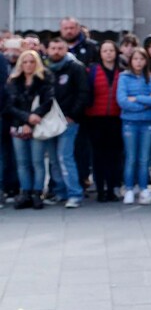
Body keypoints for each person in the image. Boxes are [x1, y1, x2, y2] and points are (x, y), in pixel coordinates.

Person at [44, 37, 91, 208]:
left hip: (68, 120)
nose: (56, 51)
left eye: (60, 48)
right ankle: (60, 192)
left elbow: (83, 93)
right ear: (47, 50)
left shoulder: (76, 67)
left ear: (66, 50)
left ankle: (75, 194)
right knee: (53, 160)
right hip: (48, 121)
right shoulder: (44, 68)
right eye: (53, 48)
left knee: (65, 157)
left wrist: (72, 114)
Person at [6, 50, 54, 210]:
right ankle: (25, 192)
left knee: (37, 161)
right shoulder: (13, 82)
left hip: (38, 124)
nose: (28, 65)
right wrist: (26, 119)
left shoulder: (44, 79)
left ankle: (37, 193)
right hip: (18, 124)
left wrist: (33, 118)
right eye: (25, 62)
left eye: (32, 62)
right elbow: (9, 106)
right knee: (22, 162)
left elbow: (48, 102)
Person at [116, 48, 151, 205]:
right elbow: (122, 101)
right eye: (135, 59)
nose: (138, 62)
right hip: (129, 122)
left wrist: (136, 98)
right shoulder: (124, 77)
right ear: (131, 61)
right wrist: (145, 103)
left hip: (146, 122)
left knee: (144, 158)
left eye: (142, 59)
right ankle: (129, 188)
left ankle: (143, 188)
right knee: (131, 157)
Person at [85, 41, 123, 202]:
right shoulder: (92, 71)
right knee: (98, 156)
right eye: (105, 50)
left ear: (116, 52)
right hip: (96, 119)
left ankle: (112, 188)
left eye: (111, 50)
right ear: (100, 53)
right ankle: (100, 189)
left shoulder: (122, 71)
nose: (108, 53)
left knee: (114, 155)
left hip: (116, 118)